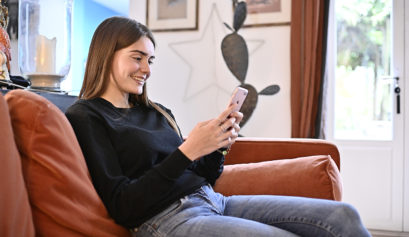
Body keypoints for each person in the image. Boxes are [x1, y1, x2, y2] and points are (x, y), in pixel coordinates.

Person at [65, 16, 371, 237]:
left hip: (212, 200)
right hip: (162, 221)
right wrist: (187, 151)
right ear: (106, 55)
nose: (146, 69)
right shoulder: (87, 116)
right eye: (137, 57)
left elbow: (202, 176)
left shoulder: (157, 112)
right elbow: (123, 205)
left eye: (151, 60)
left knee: (343, 216)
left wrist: (218, 147)